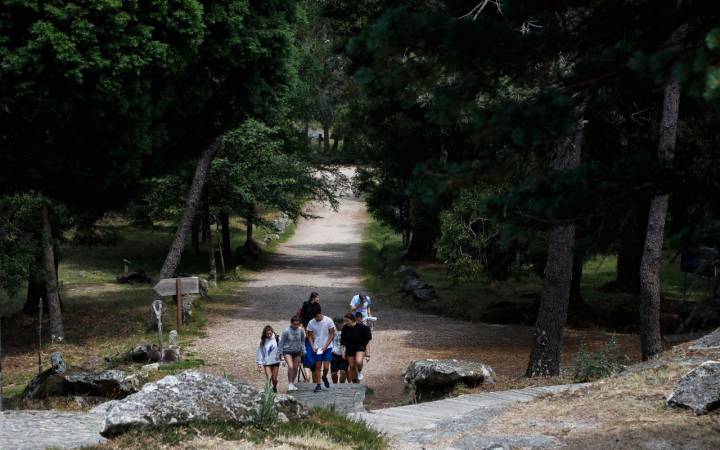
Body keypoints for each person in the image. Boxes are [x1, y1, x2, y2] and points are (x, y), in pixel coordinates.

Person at [306, 307, 336, 393]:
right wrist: (312, 346)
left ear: (321, 313)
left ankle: (324, 376)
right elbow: (310, 335)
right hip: (317, 347)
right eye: (315, 317)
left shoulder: (328, 320)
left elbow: (332, 334)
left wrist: (326, 346)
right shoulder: (311, 322)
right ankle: (318, 384)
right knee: (318, 366)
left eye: (317, 316)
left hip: (327, 346)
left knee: (326, 367)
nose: (316, 318)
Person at [340, 313, 372, 383]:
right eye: (345, 321)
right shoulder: (345, 328)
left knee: (358, 361)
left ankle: (360, 371)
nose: (346, 322)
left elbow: (367, 340)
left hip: (359, 346)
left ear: (352, 320)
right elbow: (342, 341)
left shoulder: (362, 327)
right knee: (351, 366)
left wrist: (368, 353)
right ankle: (355, 382)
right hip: (349, 348)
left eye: (347, 321)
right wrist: (342, 351)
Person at [279, 316, 306, 391]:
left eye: (298, 324)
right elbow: (281, 343)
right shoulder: (286, 331)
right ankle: (290, 383)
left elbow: (303, 341)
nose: (296, 326)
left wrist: (304, 350)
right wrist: (279, 353)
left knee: (296, 368)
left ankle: (292, 383)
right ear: (291, 323)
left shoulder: (301, 330)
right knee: (290, 366)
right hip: (287, 351)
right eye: (295, 324)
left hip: (297, 351)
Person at [299, 292, 321, 381]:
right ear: (313, 297)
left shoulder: (318, 306)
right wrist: (301, 323)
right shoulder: (305, 304)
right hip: (306, 324)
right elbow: (302, 314)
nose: (318, 299)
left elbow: (319, 315)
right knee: (308, 336)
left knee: (313, 337)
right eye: (317, 297)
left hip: (315, 325)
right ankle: (309, 344)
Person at [256, 325, 281, 392]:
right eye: (267, 334)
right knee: (269, 378)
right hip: (267, 362)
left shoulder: (277, 338)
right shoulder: (262, 341)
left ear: (272, 332)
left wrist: (283, 359)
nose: (269, 335)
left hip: (275, 362)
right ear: (265, 334)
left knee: (274, 379)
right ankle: (268, 391)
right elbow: (260, 353)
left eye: (270, 333)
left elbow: (281, 348)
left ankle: (274, 387)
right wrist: (259, 364)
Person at [330, 317, 348, 383]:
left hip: (343, 354)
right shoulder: (332, 331)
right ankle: (335, 385)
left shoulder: (346, 331)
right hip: (334, 354)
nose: (336, 325)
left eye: (337, 324)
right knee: (333, 374)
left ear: (342, 323)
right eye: (335, 324)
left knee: (343, 372)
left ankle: (341, 386)